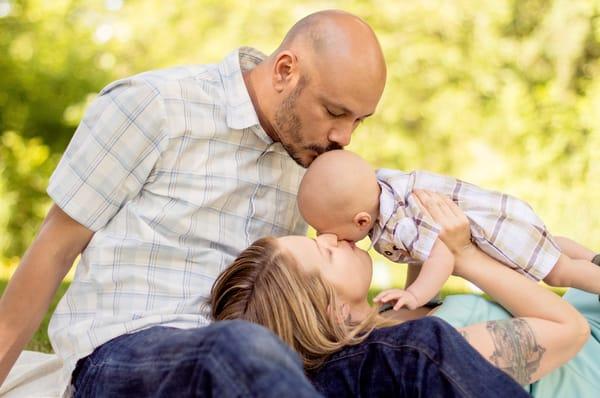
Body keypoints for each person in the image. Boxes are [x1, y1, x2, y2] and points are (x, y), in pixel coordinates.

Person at [0, 9, 389, 396]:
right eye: (335, 112)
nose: (345, 137)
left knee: (419, 345)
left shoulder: (312, 153)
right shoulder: (155, 105)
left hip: (267, 365)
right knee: (237, 347)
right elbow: (53, 248)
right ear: (285, 70)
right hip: (127, 352)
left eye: (359, 120)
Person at [211, 190, 592, 396]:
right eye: (324, 252)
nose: (330, 236)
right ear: (332, 312)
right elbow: (568, 330)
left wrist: (415, 236)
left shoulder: (389, 324)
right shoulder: (432, 359)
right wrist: (466, 257)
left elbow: (425, 304)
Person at [297, 149, 600, 310]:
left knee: (558, 272)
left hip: (493, 232)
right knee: (550, 247)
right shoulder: (385, 188)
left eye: (331, 232)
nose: (327, 239)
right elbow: (418, 256)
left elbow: (442, 253)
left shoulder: (395, 225)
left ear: (361, 221)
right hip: (505, 214)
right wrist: (418, 294)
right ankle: (592, 258)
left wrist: (417, 294)